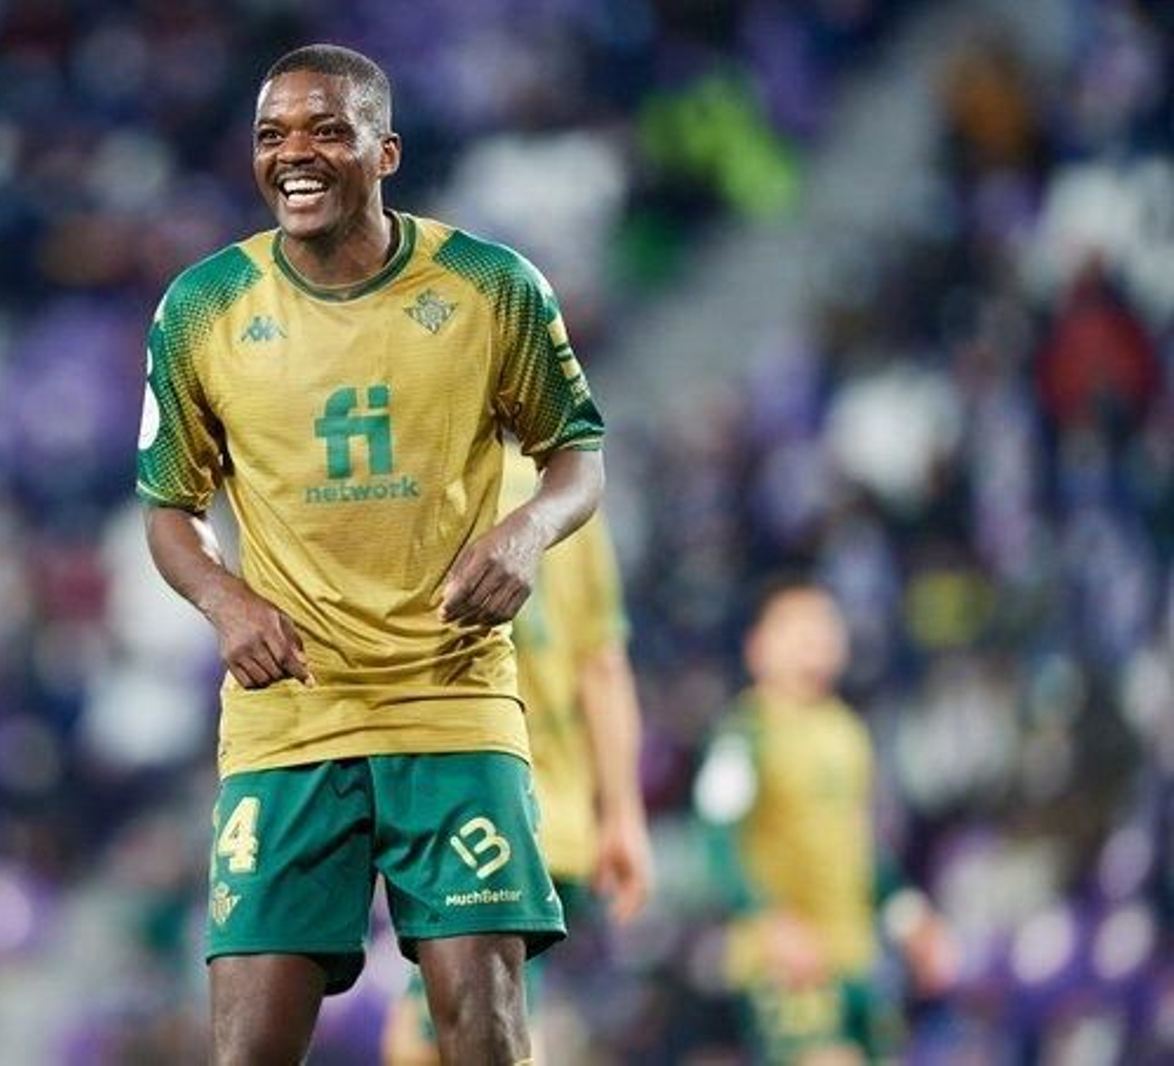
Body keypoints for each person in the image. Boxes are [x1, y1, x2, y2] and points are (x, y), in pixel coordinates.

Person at [135, 43, 607, 1065]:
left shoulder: (490, 287)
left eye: (324, 130)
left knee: (480, 1033)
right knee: (249, 1049)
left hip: (451, 700)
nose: (293, 154)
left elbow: (577, 454)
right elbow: (167, 509)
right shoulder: (201, 309)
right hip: (289, 719)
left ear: (384, 150)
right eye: (271, 135)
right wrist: (226, 602)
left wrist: (525, 531)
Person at [382, 448, 656, 1065]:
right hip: (544, 809)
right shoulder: (571, 495)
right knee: (450, 1033)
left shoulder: (415, 476)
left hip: (473, 795)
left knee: (462, 1033)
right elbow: (602, 663)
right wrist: (622, 814)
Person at [693, 579, 957, 1065]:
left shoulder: (848, 733)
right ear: (758, 646)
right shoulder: (745, 731)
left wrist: (912, 918)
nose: (812, 639)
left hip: (855, 958)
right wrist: (768, 920)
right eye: (795, 627)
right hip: (786, 965)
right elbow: (715, 838)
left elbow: (861, 851)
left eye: (823, 626)